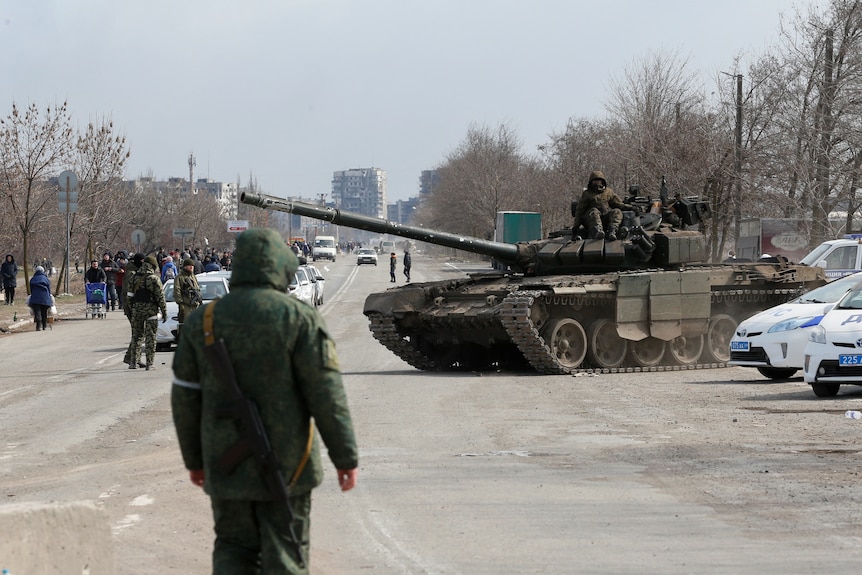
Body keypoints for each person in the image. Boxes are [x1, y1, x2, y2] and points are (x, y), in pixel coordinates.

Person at [171, 227, 358, 573]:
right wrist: (345, 457)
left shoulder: (204, 321)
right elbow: (326, 394)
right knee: (286, 552)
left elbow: (185, 398)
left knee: (232, 548)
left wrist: (195, 460)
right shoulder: (299, 318)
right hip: (290, 464)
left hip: (226, 463)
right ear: (281, 267)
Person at [572, 170, 636, 241]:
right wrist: (576, 226)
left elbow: (619, 204)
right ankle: (598, 232)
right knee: (594, 211)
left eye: (599, 181)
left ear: (602, 182)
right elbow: (580, 210)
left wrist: (631, 208)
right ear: (591, 182)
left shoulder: (608, 192)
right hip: (591, 221)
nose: (597, 183)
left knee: (617, 211)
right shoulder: (587, 194)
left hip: (605, 218)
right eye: (595, 181)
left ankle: (612, 231)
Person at [128, 255, 167, 371]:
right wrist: (164, 312)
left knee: (137, 336)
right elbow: (160, 297)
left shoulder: (134, 277)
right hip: (151, 311)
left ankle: (133, 362)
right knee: (151, 337)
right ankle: (149, 364)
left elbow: (129, 296)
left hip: (137, 310)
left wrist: (133, 309)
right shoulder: (154, 279)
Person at [174, 258, 202, 325]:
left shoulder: (193, 276)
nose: (191, 267)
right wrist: (180, 303)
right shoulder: (180, 277)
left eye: (192, 266)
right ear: (185, 267)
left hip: (195, 304)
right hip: (186, 304)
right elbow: (177, 290)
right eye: (189, 265)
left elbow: (197, 288)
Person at [28, 265, 52, 331]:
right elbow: (49, 289)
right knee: (44, 312)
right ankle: (44, 325)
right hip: (45, 298)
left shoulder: (33, 279)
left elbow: (31, 289)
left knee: (37, 312)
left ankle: (39, 326)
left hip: (35, 298)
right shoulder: (46, 279)